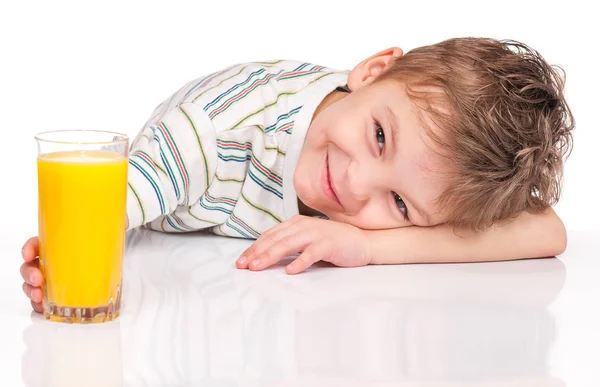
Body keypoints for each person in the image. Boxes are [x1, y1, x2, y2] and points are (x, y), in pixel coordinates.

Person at [20, 37, 574, 313]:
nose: (356, 185)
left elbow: (548, 231)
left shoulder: (426, 154)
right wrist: (65, 271)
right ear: (372, 72)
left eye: (400, 204)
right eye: (379, 137)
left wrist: (368, 247)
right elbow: (110, 200)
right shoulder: (213, 133)